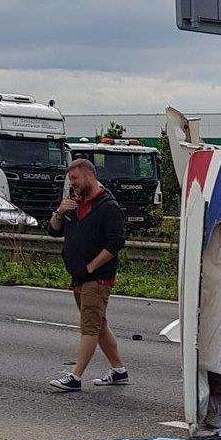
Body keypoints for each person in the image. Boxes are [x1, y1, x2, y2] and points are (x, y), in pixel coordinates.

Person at [45, 159, 129, 392]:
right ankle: (119, 370)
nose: (72, 184)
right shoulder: (74, 204)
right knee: (99, 324)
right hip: (78, 276)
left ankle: (75, 376)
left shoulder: (107, 206)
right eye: (70, 180)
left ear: (89, 176)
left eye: (75, 179)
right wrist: (60, 211)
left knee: (89, 327)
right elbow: (53, 230)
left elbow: (115, 244)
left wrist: (90, 268)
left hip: (97, 277)